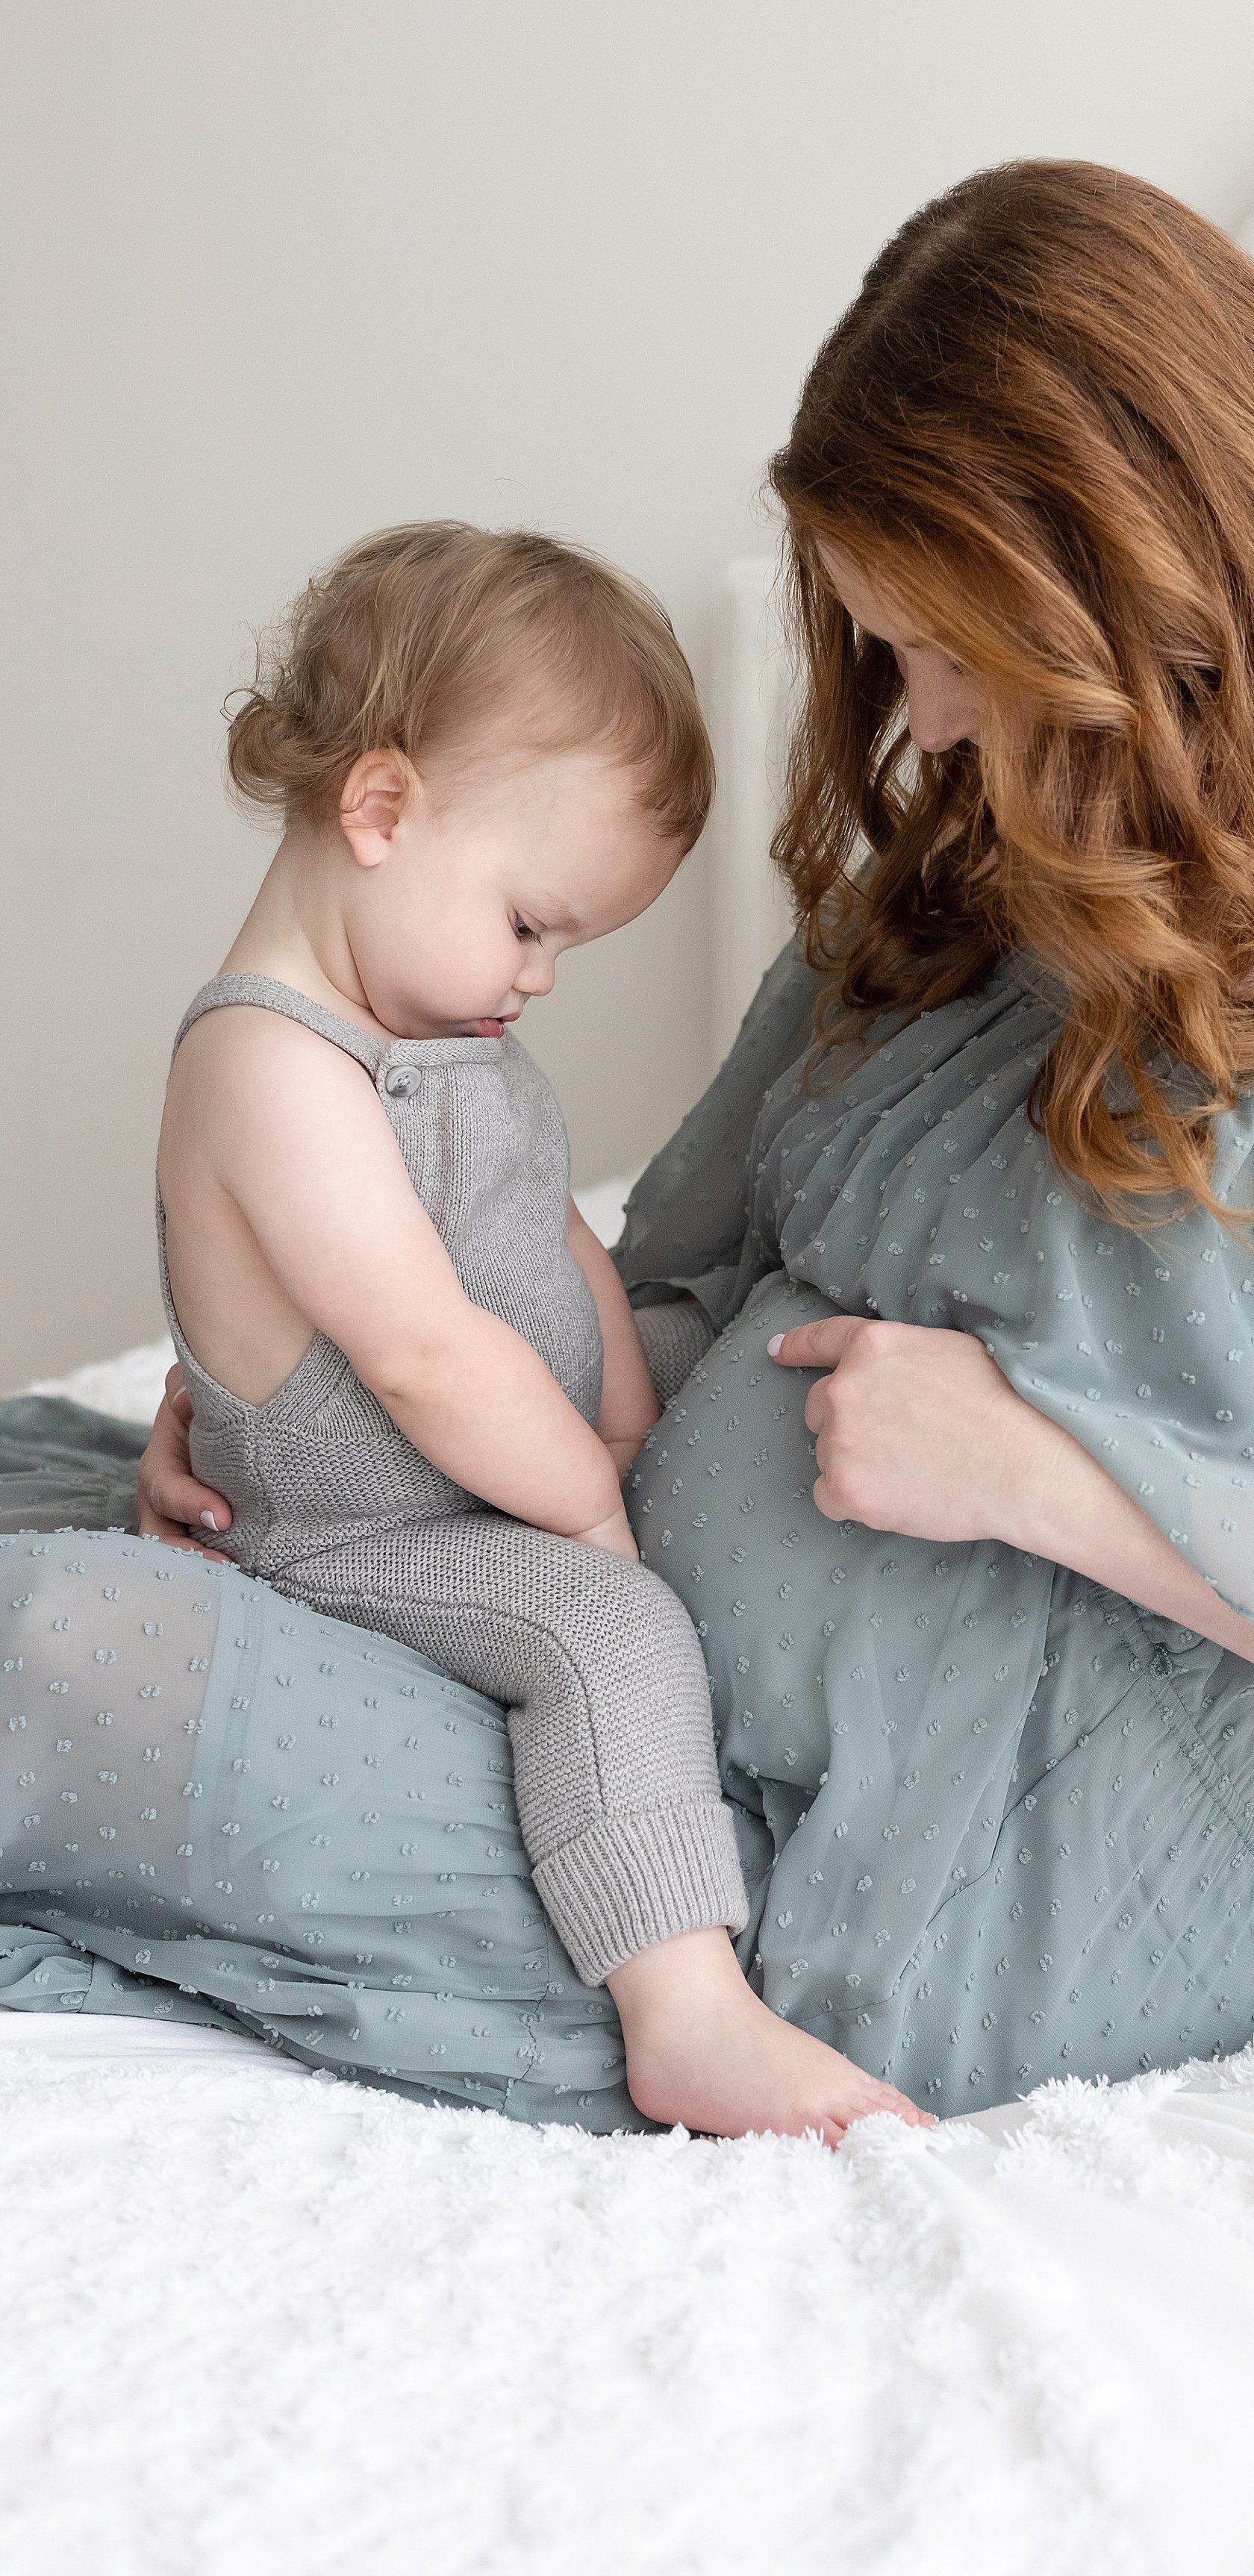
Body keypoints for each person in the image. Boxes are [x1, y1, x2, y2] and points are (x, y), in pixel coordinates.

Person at [0, 162, 1254, 2126]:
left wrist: (1048, 1476)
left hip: (929, 1894)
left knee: (43, 1647)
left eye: (944, 649)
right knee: (49, 1510)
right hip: (609, 1697)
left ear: (1110, 583)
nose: (919, 727)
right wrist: (291, 1404)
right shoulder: (1010, 850)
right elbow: (654, 1276)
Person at [34, 519, 923, 2141]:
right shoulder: (270, 1065)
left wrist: (637, 1420)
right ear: (380, 808)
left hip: (467, 1494)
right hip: (351, 1532)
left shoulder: (431, 1027)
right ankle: (687, 2012)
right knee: (616, 1637)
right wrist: (596, 1514)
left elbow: (548, 1232)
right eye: (531, 921)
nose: (543, 975)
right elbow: (422, 1349)